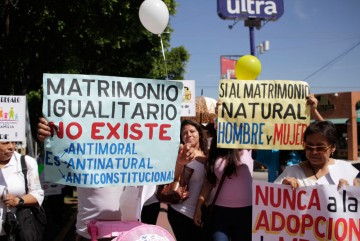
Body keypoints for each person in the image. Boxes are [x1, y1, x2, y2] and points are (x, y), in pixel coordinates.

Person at [37, 117, 158, 241]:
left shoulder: (142, 152)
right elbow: (60, 160)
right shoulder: (84, 149)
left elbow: (155, 191)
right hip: (89, 234)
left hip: (129, 235)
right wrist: (50, 139)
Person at [193, 133, 253, 241]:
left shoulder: (247, 148)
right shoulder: (216, 153)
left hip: (246, 213)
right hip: (220, 213)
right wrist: (199, 206)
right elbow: (209, 183)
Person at [253, 94, 324, 182]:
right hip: (276, 195)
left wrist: (314, 110)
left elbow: (327, 135)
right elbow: (252, 143)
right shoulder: (274, 154)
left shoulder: (310, 154)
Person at [274, 121, 359, 188]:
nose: (314, 152)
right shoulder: (291, 172)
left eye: (320, 148)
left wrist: (349, 192)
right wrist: (282, 189)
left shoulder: (345, 169)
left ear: (333, 147)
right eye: (309, 147)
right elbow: (269, 202)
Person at [167, 119, 209, 241]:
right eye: (184, 133)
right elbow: (174, 177)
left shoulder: (208, 153)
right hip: (181, 212)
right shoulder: (181, 152)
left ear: (199, 133)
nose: (189, 135)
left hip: (200, 213)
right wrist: (180, 162)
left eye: (192, 131)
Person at [0, 141, 44, 240]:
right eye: (5, 143)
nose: (11, 147)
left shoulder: (26, 162)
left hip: (18, 229)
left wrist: (17, 200)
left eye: (14, 142)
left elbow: (38, 194)